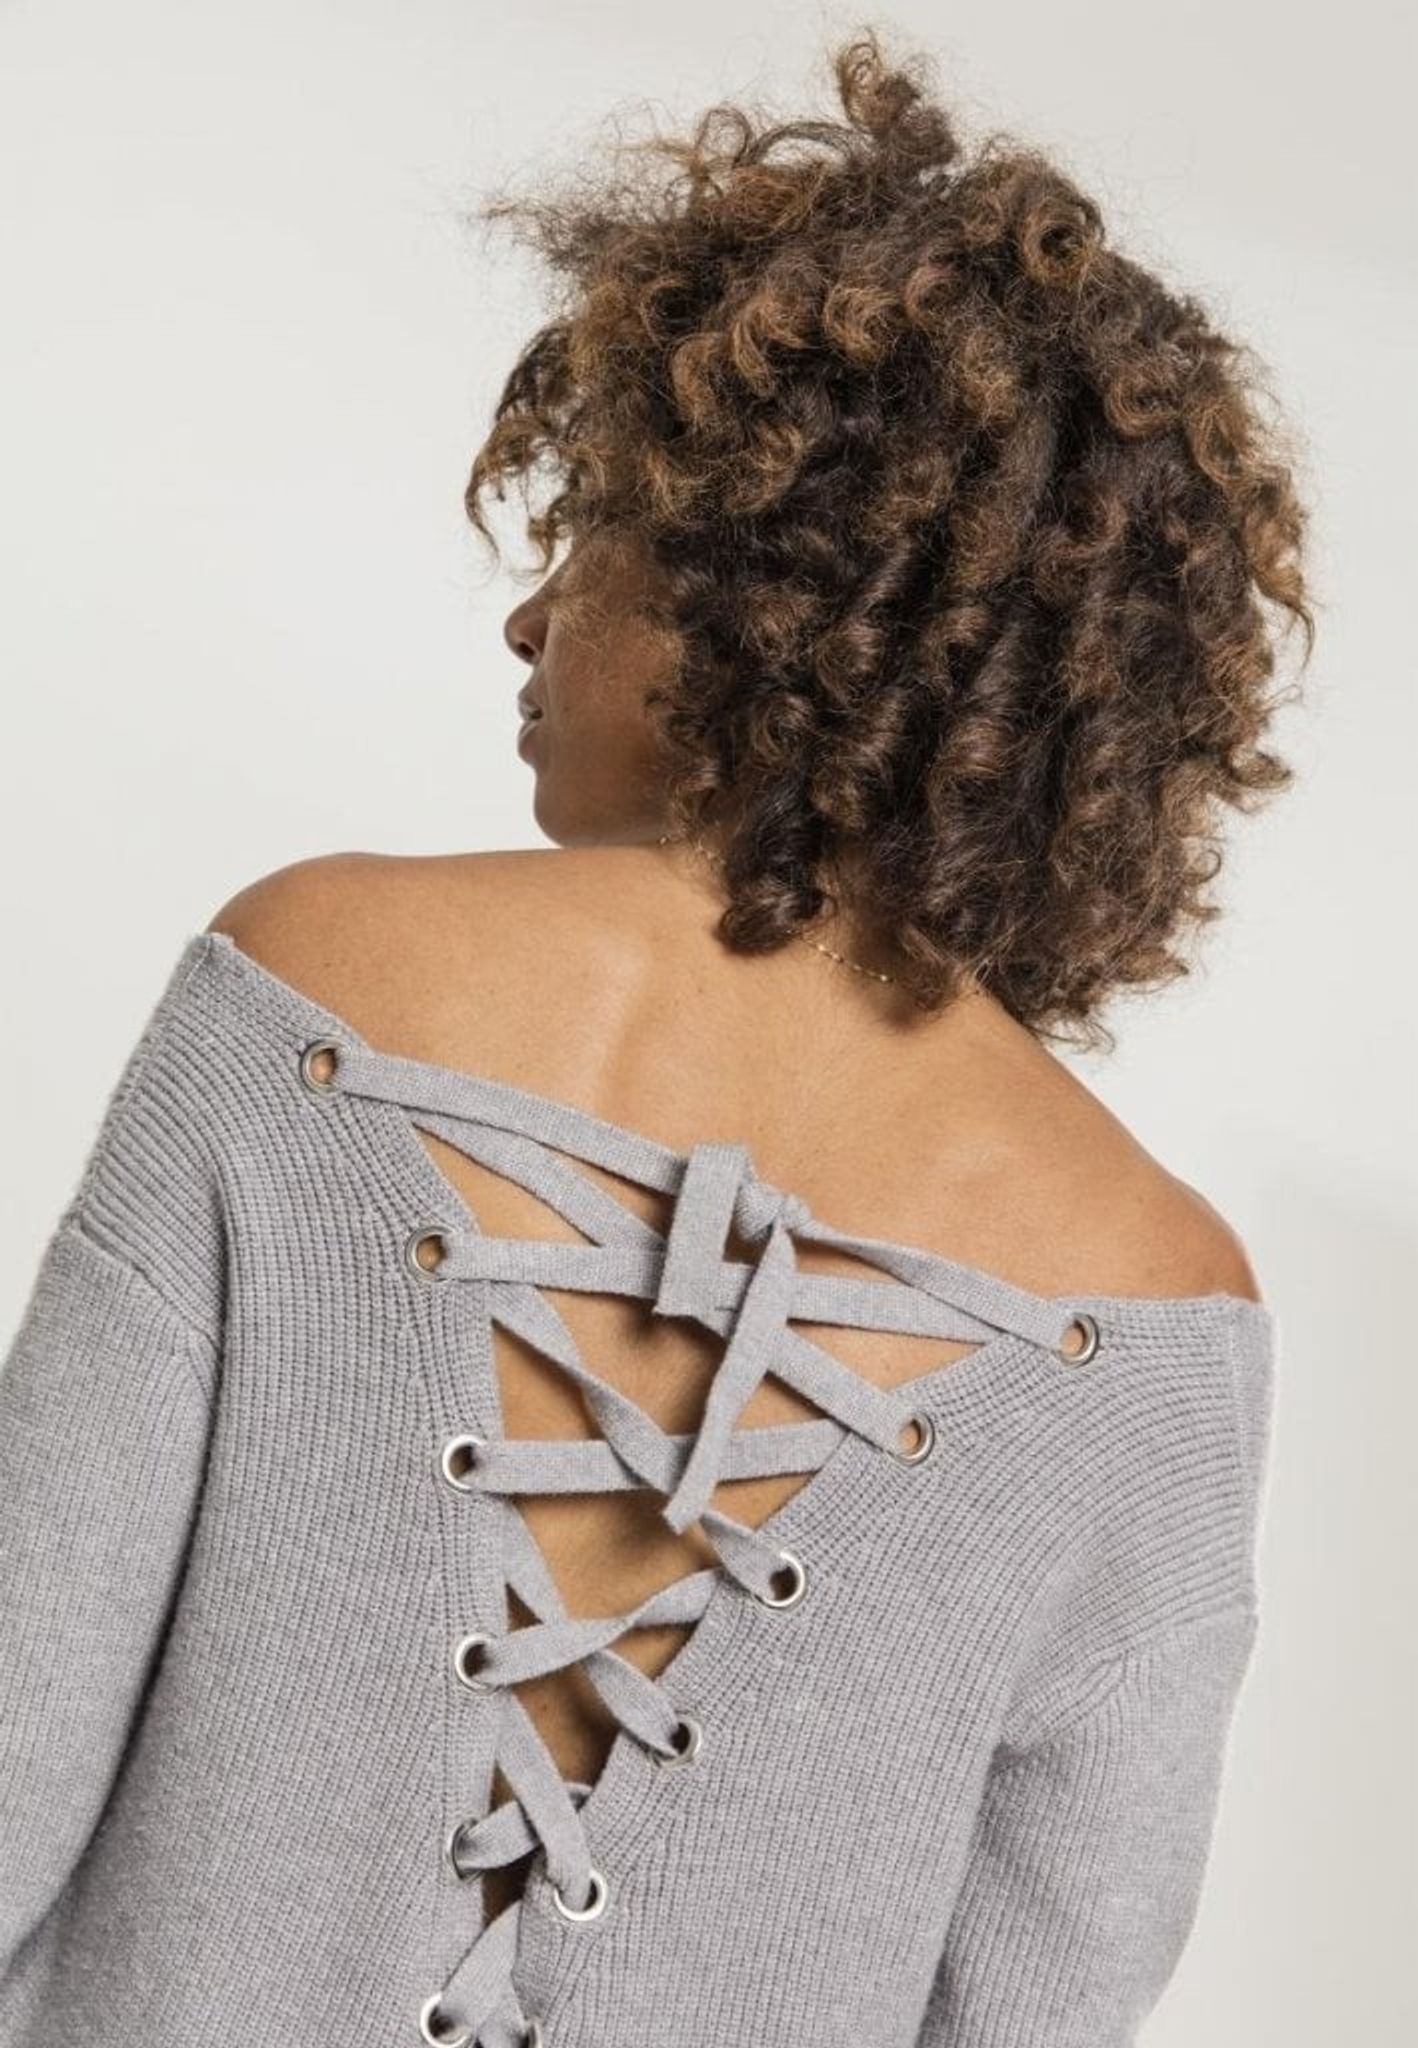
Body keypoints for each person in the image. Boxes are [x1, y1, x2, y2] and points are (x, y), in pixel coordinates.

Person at [0, 28, 1310, 2048]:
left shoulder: (316, 987)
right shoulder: (1152, 1309)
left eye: (597, 521)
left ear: (757, 575)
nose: (531, 620)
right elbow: (1039, 2004)